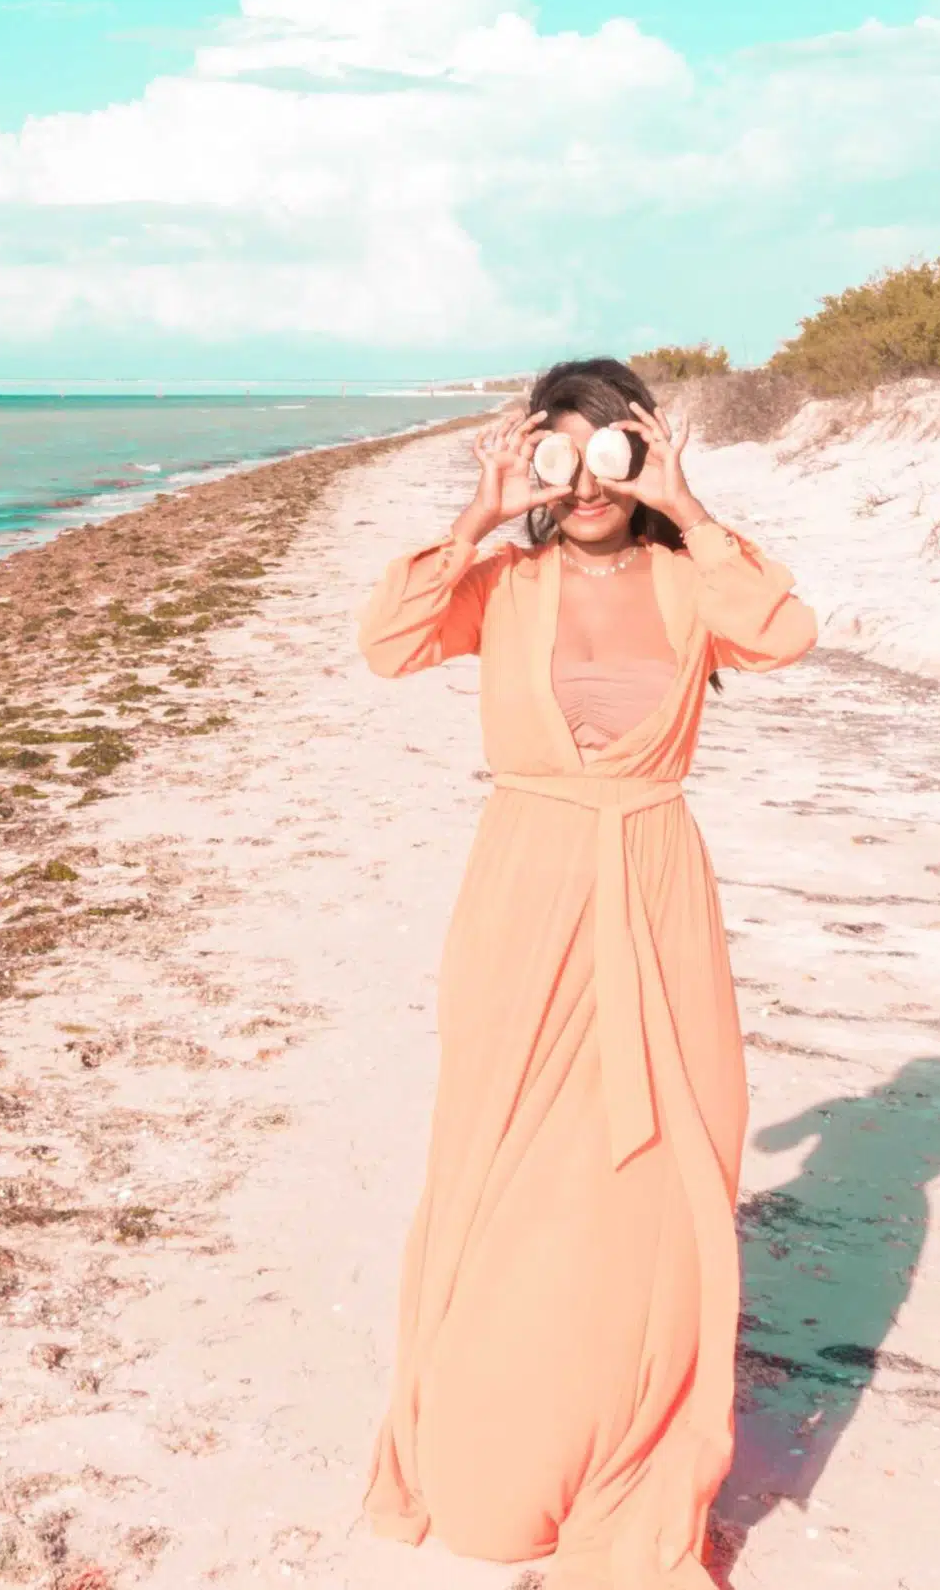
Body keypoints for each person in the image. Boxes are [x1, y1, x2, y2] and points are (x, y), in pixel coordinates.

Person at [356, 356, 818, 1589]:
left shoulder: (686, 576)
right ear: (532, 462)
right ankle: (497, 1443)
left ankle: (638, 1430)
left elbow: (784, 631)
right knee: (504, 1164)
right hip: (526, 886)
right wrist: (476, 518)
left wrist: (693, 501)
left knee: (669, 1166)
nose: (589, 475)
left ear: (643, 453)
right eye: (559, 449)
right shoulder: (502, 581)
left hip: (656, 882)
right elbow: (387, 643)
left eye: (613, 446)